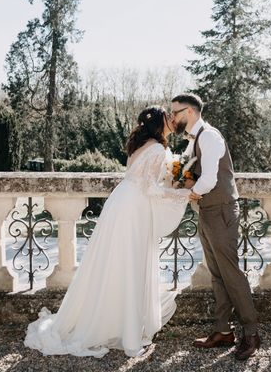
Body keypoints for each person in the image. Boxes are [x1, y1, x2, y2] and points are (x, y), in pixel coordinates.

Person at [24, 106, 191, 358]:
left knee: (114, 261)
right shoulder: (158, 149)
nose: (171, 119)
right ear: (160, 123)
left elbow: (143, 181)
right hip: (135, 207)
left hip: (121, 201)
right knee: (131, 264)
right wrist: (183, 193)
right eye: (167, 117)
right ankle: (129, 335)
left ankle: (114, 321)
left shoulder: (141, 145)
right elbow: (152, 190)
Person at [170, 93, 261, 361]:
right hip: (208, 211)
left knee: (231, 273)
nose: (172, 117)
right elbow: (184, 168)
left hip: (220, 211)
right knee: (217, 274)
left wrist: (191, 193)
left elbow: (209, 179)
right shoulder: (194, 140)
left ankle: (252, 333)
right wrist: (178, 176)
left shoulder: (208, 137)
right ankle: (223, 331)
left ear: (190, 112)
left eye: (175, 112)